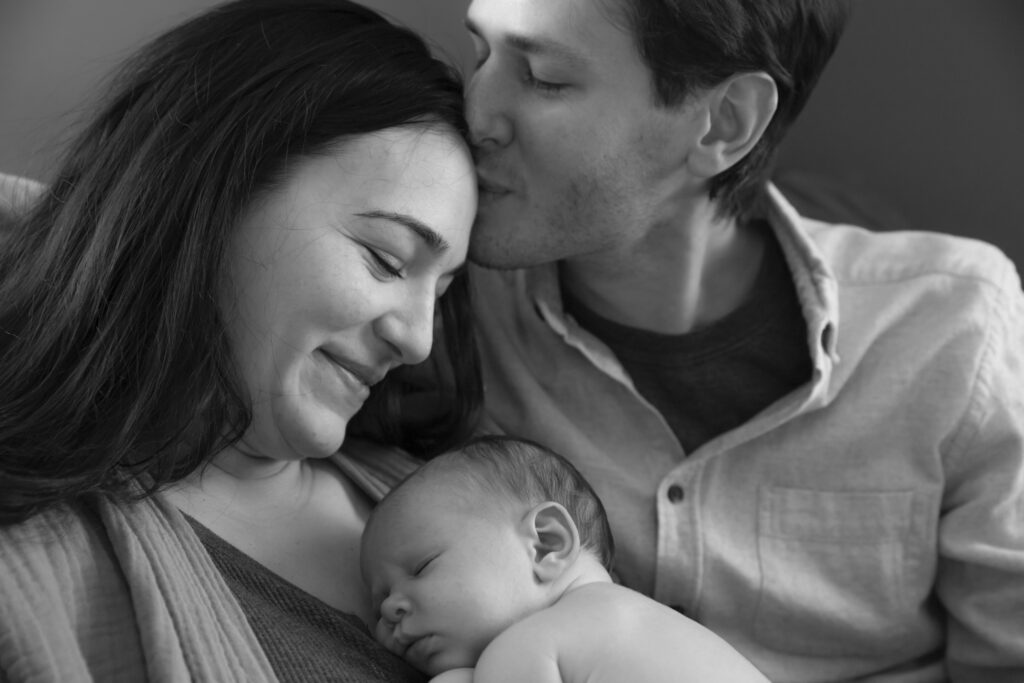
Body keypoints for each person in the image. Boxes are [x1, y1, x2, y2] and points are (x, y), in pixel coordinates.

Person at [453, 0, 1024, 681]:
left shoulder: (954, 328)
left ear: (724, 124)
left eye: (544, 77)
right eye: (480, 54)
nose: (474, 117)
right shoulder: (436, 304)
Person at [0, 1, 481, 681]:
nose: (419, 341)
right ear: (218, 193)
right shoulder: (36, 576)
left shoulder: (448, 498)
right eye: (388, 258)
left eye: (442, 290)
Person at [361, 435, 770, 683]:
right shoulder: (638, 625)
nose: (390, 608)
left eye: (421, 567)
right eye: (380, 600)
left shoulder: (531, 645)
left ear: (546, 544)